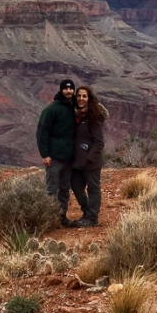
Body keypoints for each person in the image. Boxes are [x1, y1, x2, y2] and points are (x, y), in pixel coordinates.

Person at [36, 78, 77, 227]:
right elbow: (42, 132)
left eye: (71, 89)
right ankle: (49, 218)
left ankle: (62, 217)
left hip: (68, 158)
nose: (68, 91)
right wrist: (44, 154)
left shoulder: (74, 108)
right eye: (65, 89)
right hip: (54, 157)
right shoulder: (51, 110)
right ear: (61, 90)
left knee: (65, 189)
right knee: (51, 189)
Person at [70, 85, 108, 228]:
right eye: (79, 96)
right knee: (76, 186)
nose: (81, 99)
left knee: (93, 188)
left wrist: (89, 158)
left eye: (84, 96)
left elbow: (99, 142)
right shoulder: (74, 116)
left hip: (91, 162)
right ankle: (87, 213)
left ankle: (92, 218)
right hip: (76, 161)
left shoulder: (93, 117)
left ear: (89, 98)